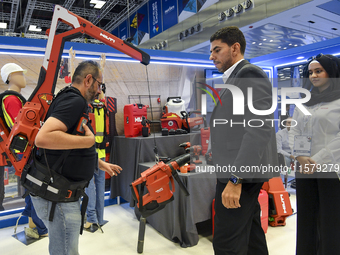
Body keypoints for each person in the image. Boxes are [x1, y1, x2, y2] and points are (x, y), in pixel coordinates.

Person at [31, 60, 122, 255]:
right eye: (99, 84)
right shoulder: (75, 101)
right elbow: (43, 138)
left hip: (59, 194)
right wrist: (89, 142)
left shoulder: (67, 98)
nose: (99, 90)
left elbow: (66, 145)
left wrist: (97, 162)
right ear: (88, 80)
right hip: (59, 197)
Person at [209, 26, 279, 255]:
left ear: (235, 48)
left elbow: (259, 129)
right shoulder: (236, 79)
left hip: (240, 175)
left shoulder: (249, 75)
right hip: (241, 171)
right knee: (251, 238)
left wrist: (236, 178)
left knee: (227, 242)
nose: (212, 56)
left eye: (217, 50)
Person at [289, 54, 340, 255]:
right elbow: (294, 131)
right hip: (304, 169)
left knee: (331, 221)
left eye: (319, 71)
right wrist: (300, 156)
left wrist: (316, 160)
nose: (314, 76)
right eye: (310, 72)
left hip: (330, 169)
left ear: (332, 72)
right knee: (307, 219)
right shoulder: (304, 102)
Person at [0, 63, 48, 238]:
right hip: (25, 152)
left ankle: (34, 225)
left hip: (24, 152)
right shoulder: (12, 99)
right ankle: (41, 228)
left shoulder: (15, 98)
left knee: (31, 188)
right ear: (10, 76)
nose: (24, 77)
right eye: (20, 73)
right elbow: (21, 129)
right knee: (35, 188)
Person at [84, 91, 109, 230]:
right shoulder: (103, 107)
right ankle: (100, 218)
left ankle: (91, 219)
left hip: (90, 153)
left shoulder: (87, 107)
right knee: (100, 184)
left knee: (89, 185)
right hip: (102, 152)